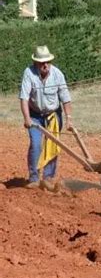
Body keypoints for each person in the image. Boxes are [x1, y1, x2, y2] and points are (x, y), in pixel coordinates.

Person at [19, 45, 73, 190]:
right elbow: (24, 98)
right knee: (36, 144)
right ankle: (34, 178)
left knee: (53, 145)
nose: (45, 65)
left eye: (47, 62)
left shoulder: (58, 74)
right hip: (35, 116)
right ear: (36, 63)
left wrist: (68, 118)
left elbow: (65, 98)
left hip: (53, 115)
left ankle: (48, 178)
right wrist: (27, 118)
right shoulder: (29, 73)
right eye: (42, 62)